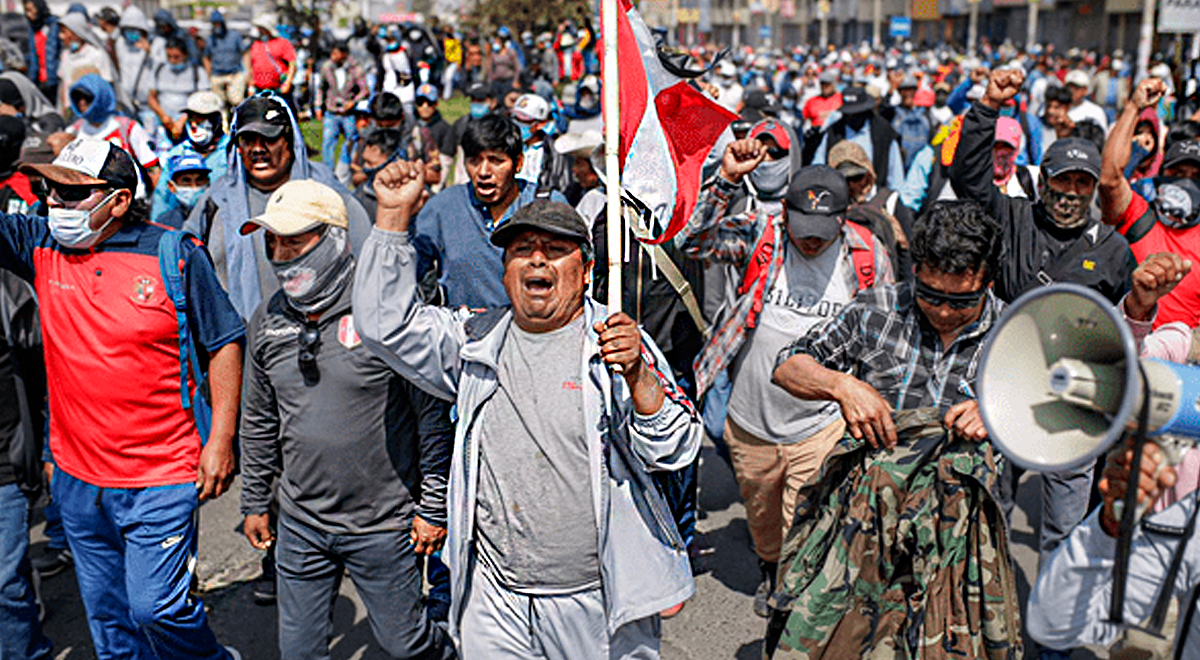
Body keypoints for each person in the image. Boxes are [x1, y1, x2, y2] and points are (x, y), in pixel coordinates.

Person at [354, 162, 702, 659]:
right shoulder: (473, 339)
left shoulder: (618, 344)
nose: (537, 261)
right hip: (495, 597)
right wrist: (391, 220)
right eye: (522, 251)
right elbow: (383, 324)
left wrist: (639, 376)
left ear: (586, 273)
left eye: (555, 251)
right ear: (505, 271)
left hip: (593, 600)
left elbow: (676, 448)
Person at [0, 137, 244, 660]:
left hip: (162, 477)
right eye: (50, 190)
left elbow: (224, 341)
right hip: (78, 481)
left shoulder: (174, 254)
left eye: (71, 193)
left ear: (116, 200)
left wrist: (221, 438)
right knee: (110, 623)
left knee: (157, 607)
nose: (54, 203)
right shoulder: (39, 245)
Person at [767, 199, 1019, 658]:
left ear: (989, 280)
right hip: (864, 532)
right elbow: (787, 366)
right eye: (931, 294)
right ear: (916, 269)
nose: (943, 312)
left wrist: (1003, 412)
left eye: (961, 300)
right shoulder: (876, 310)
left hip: (956, 545)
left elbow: (1063, 420)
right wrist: (841, 385)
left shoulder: (1016, 334)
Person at [950, 66, 1136, 660]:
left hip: (1074, 411)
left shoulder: (1111, 250)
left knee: (1062, 530)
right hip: (1003, 397)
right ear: (1043, 181)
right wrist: (986, 107)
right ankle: (990, 620)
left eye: (1083, 184)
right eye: (1062, 181)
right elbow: (969, 178)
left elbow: (1130, 326)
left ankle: (1050, 636)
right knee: (993, 517)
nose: (1071, 193)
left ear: (1091, 191)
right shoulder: (1012, 220)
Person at [238, 179, 456, 660]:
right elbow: (258, 418)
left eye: (294, 239)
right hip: (301, 525)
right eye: (272, 240)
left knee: (407, 645)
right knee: (297, 653)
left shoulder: (386, 315)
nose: (280, 252)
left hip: (383, 525)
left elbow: (431, 417)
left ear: (334, 238)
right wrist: (254, 499)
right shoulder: (268, 320)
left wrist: (432, 508)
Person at [683, 121, 893, 617]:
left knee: (807, 514)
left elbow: (885, 336)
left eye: (824, 233)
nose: (812, 242)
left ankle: (793, 597)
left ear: (843, 219)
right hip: (750, 416)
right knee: (762, 514)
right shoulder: (762, 234)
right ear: (786, 214)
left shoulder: (867, 255)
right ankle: (770, 567)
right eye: (804, 231)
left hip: (820, 425)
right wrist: (727, 180)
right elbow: (693, 241)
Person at [185, 93, 371, 322]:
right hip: (243, 337)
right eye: (248, 140)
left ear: (289, 142)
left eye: (269, 139)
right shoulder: (218, 200)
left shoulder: (326, 192)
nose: (258, 149)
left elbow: (366, 264)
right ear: (238, 147)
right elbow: (186, 259)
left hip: (324, 328)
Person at [411, 113, 566, 310]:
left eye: (496, 160)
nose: (484, 172)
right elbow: (410, 274)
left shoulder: (548, 205)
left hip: (533, 333)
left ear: (518, 163)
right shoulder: (442, 207)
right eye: (475, 161)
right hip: (465, 334)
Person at [1101, 77, 1200, 329]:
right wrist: (1135, 106)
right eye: (1177, 174)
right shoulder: (1139, 215)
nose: (1186, 184)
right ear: (1162, 176)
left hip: (1183, 362)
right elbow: (1110, 179)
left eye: (1197, 177)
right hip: (1127, 349)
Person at [0, 253, 51, 660]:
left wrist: (50, 448)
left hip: (7, 465)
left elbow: (46, 375)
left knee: (3, 581)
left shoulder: (11, 289)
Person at [60, 74, 160, 191]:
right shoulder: (73, 132)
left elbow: (153, 168)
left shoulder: (128, 128)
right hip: (89, 201)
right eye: (77, 98)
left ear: (101, 97)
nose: (82, 102)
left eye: (87, 97)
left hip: (131, 200)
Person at [829, 139, 913, 276]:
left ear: (869, 174)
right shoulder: (832, 205)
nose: (852, 185)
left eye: (857, 177)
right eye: (844, 179)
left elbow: (908, 251)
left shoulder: (890, 202)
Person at [152, 91, 229, 227]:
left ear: (216, 120)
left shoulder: (232, 151)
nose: (195, 124)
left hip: (222, 225)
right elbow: (162, 197)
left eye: (202, 119)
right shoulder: (177, 153)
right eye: (192, 118)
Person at [812, 86, 905, 192]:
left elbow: (896, 179)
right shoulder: (833, 133)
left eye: (858, 113)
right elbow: (817, 170)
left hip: (875, 200)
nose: (853, 117)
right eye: (849, 114)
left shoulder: (884, 133)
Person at [316, 40, 369, 180]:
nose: (333, 56)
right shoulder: (326, 67)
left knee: (351, 141)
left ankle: (345, 169)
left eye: (336, 53)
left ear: (344, 54)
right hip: (331, 111)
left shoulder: (355, 68)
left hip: (348, 112)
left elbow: (364, 90)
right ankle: (327, 173)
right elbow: (321, 88)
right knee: (328, 141)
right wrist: (318, 106)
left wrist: (353, 102)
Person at [148, 36, 211, 146]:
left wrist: (182, 121)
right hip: (164, 122)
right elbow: (152, 97)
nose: (172, 60)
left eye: (176, 57)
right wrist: (163, 116)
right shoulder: (159, 70)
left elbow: (202, 100)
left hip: (188, 123)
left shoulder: (197, 72)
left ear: (185, 55)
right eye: (169, 57)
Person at [56, 11, 115, 119]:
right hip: (73, 112)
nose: (61, 36)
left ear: (76, 33)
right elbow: (64, 86)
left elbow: (107, 84)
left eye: (64, 32)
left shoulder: (96, 55)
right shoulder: (65, 56)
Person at [510, 92, 571, 192]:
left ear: (540, 124)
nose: (517, 125)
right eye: (515, 119)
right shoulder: (508, 146)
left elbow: (561, 184)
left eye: (524, 121)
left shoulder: (554, 152)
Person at [248, 18, 296, 105]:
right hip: (260, 89)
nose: (260, 30)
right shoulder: (256, 44)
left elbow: (292, 63)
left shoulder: (282, 43)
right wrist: (251, 86)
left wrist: (287, 82)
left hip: (278, 88)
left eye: (262, 28)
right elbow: (251, 65)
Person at [204, 10, 246, 110]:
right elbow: (206, 57)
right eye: (214, 24)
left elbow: (245, 52)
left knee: (236, 101)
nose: (217, 26)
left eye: (218, 23)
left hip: (234, 74)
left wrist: (248, 72)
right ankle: (223, 123)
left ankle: (237, 121)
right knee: (218, 104)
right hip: (217, 74)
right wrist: (208, 74)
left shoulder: (235, 36)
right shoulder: (210, 39)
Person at [890, 75, 932, 170]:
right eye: (904, 90)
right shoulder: (894, 112)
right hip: (900, 165)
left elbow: (931, 137)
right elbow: (882, 109)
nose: (907, 94)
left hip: (921, 166)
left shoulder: (924, 113)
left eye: (911, 90)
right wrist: (891, 88)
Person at [157, 152, 210, 229]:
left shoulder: (222, 215)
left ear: (208, 182)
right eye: (186, 181)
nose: (194, 186)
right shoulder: (165, 223)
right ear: (172, 187)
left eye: (200, 180)